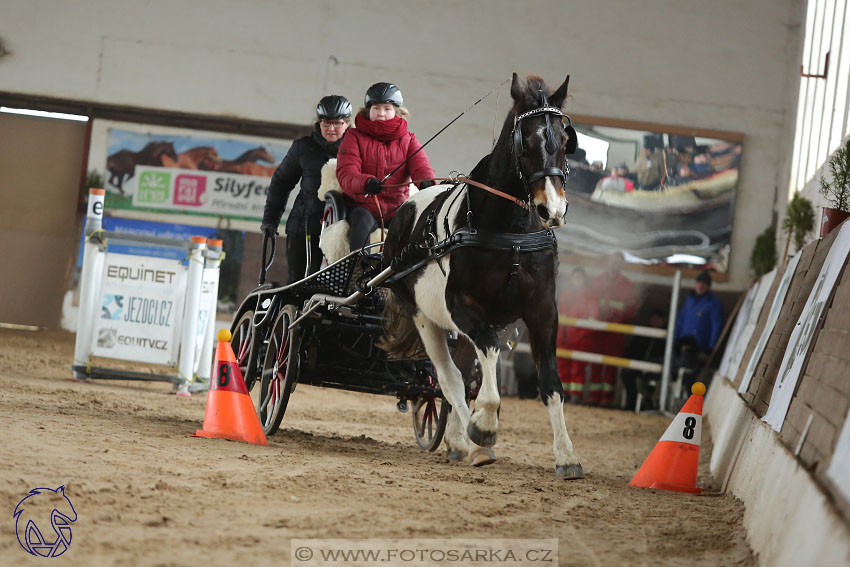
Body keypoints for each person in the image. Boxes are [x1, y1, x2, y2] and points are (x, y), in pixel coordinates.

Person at [260, 95, 352, 283]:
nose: (331, 129)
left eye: (337, 123)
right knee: (297, 282)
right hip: (303, 228)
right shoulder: (302, 148)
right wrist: (270, 221)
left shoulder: (358, 151)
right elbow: (280, 183)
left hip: (341, 231)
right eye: (326, 123)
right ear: (319, 123)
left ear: (347, 124)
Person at [336, 82, 436, 251]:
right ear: (368, 110)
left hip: (397, 207)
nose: (381, 113)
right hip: (363, 206)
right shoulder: (353, 136)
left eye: (387, 109)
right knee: (361, 221)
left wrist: (427, 183)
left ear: (397, 112)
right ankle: (357, 269)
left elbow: (421, 166)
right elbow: (346, 173)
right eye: (376, 108)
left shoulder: (409, 139)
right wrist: (365, 182)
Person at [587, 252, 638, 407]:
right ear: (607, 262)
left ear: (622, 265)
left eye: (618, 262)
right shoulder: (596, 281)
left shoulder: (627, 284)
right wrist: (596, 315)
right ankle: (593, 397)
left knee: (610, 365)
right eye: (612, 261)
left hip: (615, 330)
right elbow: (588, 300)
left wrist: (616, 317)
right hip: (596, 327)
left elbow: (631, 307)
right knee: (594, 362)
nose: (614, 264)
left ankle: (606, 399)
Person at [673, 269, 725, 390]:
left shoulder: (713, 303)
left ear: (708, 286)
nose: (700, 285)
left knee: (691, 375)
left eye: (704, 283)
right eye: (699, 282)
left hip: (698, 348)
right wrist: (675, 340)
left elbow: (717, 326)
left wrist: (711, 348)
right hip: (682, 345)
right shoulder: (689, 300)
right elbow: (680, 321)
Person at [556, 267, 598, 402]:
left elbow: (592, 319)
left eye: (580, 278)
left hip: (581, 340)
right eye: (575, 277)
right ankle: (563, 393)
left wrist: (581, 336)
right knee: (562, 367)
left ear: (585, 280)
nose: (577, 280)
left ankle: (575, 396)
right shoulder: (564, 296)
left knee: (577, 369)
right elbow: (558, 316)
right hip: (563, 338)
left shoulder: (590, 298)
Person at [621, 309, 667, 410]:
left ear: (663, 320)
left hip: (656, 368)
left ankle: (650, 403)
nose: (655, 321)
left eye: (658, 319)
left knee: (653, 379)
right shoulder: (642, 333)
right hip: (639, 366)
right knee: (627, 374)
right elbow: (631, 349)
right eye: (653, 319)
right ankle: (632, 402)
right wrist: (627, 362)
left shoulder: (667, 336)